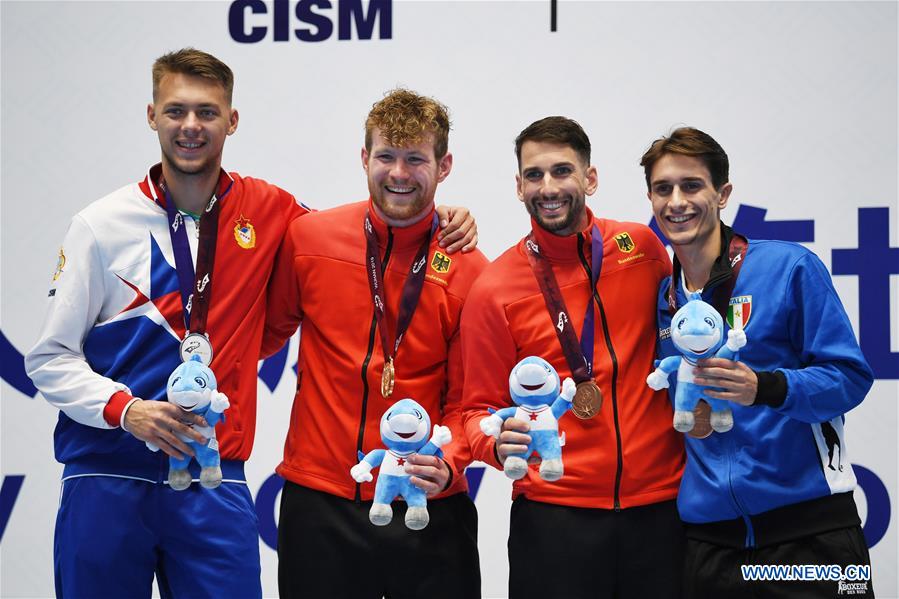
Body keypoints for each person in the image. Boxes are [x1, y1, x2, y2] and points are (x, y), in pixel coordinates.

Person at [24, 49, 476, 599]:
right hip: (108, 474)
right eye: (176, 110)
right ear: (151, 116)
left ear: (232, 120)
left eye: (207, 112)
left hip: (214, 478)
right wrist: (127, 410)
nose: (191, 126)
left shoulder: (272, 210)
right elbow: (49, 359)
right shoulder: (99, 225)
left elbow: (375, 230)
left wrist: (440, 219)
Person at [262, 88, 488, 599]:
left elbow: (470, 401)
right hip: (319, 502)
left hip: (428, 503)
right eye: (386, 156)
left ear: (444, 165)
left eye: (416, 159)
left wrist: (450, 459)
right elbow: (258, 336)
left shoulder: (471, 271)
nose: (399, 173)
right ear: (364, 158)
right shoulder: (309, 239)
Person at [641, 126, 875, 598]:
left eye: (691, 185)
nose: (676, 201)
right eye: (663, 189)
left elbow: (849, 377)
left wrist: (765, 387)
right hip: (711, 542)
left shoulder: (788, 268)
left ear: (722, 193)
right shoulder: (665, 299)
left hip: (808, 533)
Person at [460, 116, 686, 599]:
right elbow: (475, 410)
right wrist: (496, 444)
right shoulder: (494, 289)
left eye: (562, 171)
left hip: (661, 510)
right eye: (534, 175)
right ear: (518, 187)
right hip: (553, 517)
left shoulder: (642, 249)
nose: (548, 188)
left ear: (590, 178)